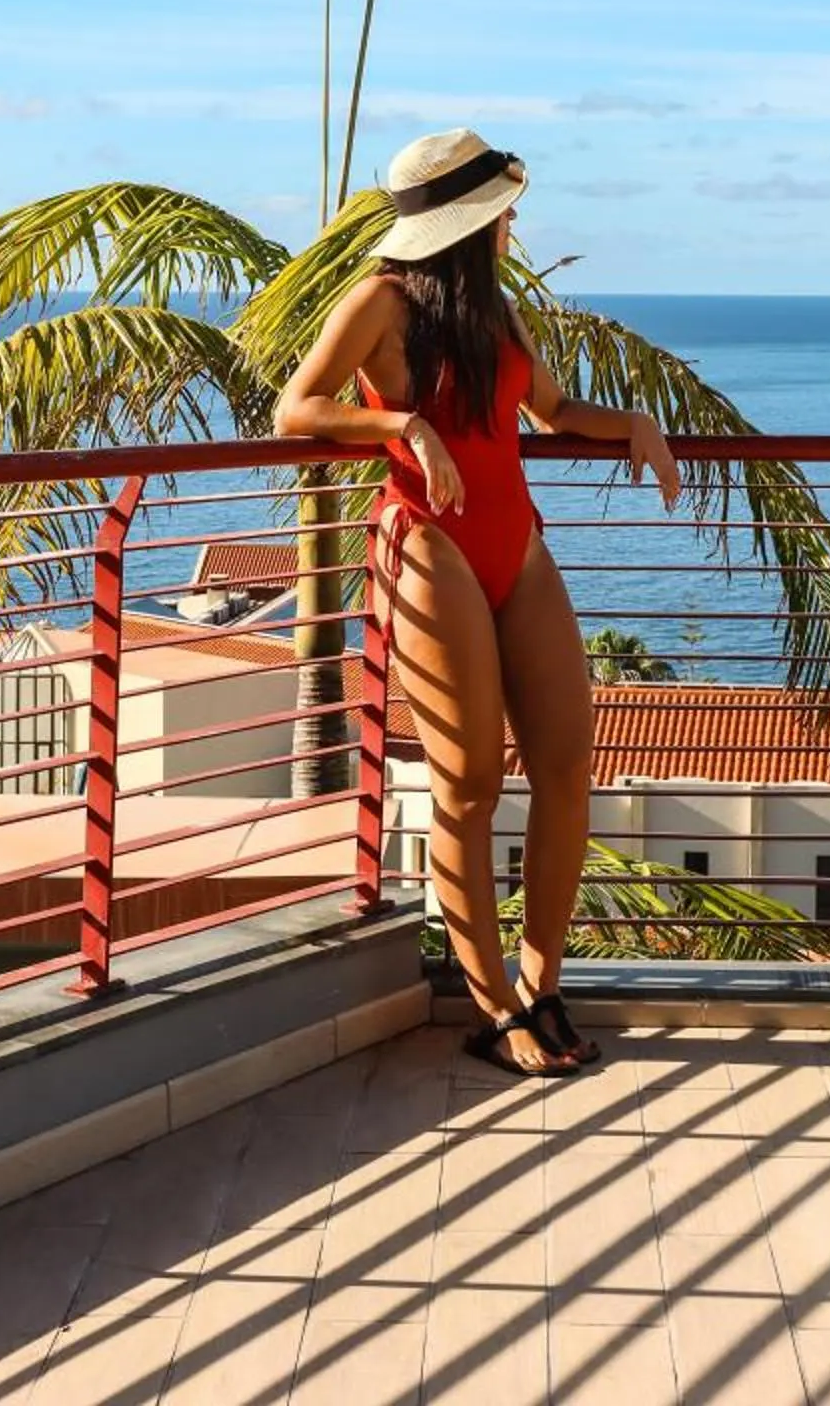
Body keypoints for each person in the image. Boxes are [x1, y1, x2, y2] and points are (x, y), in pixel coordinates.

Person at [277, 129, 680, 1078]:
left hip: (516, 543)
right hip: (426, 541)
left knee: (567, 765)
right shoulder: (378, 302)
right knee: (468, 784)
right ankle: (493, 1005)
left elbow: (551, 411)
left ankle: (542, 984)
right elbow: (298, 407)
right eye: (503, 212)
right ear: (467, 221)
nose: (513, 224)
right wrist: (404, 424)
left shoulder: (496, 311)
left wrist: (637, 424)